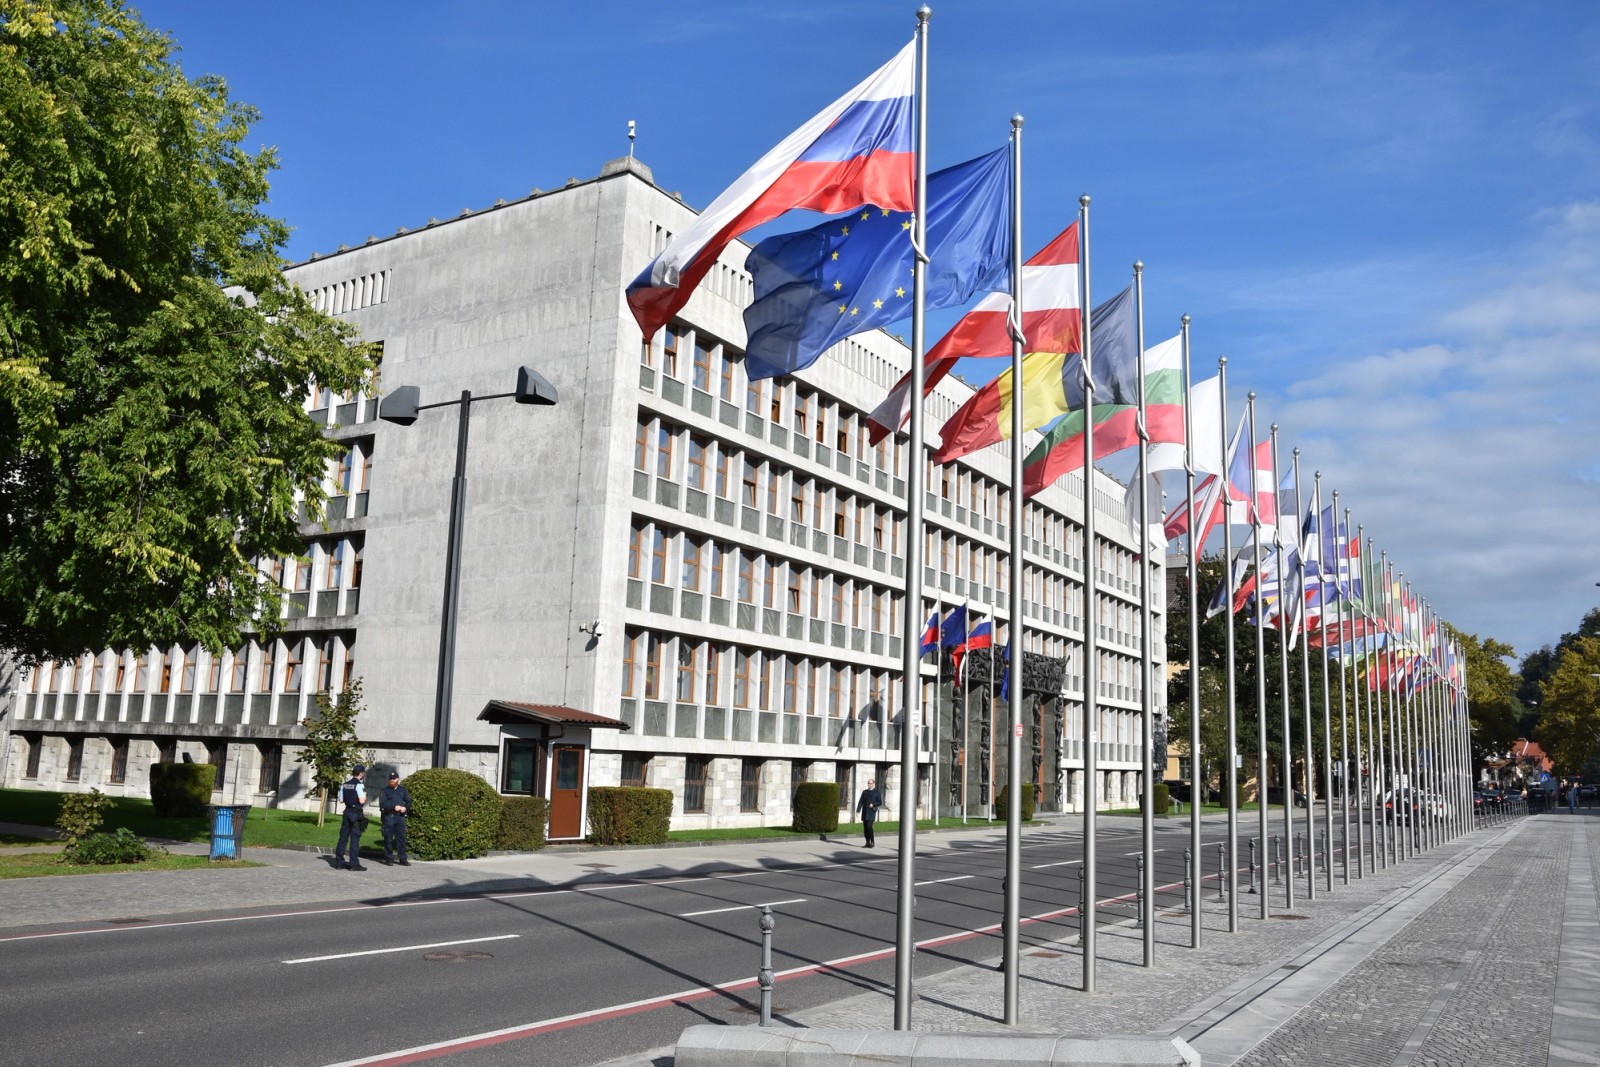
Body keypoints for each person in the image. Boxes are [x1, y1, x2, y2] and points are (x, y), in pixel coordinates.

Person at [334, 764, 369, 871]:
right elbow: (362, 801)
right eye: (363, 773)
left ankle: (339, 862)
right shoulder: (359, 785)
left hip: (347, 812)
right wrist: (365, 795)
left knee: (343, 838)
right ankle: (354, 864)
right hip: (356, 813)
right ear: (361, 773)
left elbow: (341, 800)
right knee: (355, 839)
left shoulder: (344, 785)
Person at [379, 771, 413, 865]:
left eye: (394, 779)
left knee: (401, 839)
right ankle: (389, 858)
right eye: (390, 779)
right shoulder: (385, 790)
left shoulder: (403, 790)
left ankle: (403, 858)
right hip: (389, 816)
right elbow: (382, 804)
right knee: (388, 838)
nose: (392, 780)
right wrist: (393, 807)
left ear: (398, 779)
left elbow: (409, 802)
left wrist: (405, 808)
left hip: (400, 817)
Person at [856, 776, 883, 848]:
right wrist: (858, 811)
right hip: (865, 812)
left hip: (871, 812)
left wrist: (873, 804)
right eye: (868, 783)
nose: (869, 785)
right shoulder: (865, 792)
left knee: (869, 827)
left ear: (873, 784)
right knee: (865, 828)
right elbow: (861, 802)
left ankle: (872, 841)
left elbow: (880, 802)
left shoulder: (877, 792)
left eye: (870, 783)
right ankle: (867, 842)